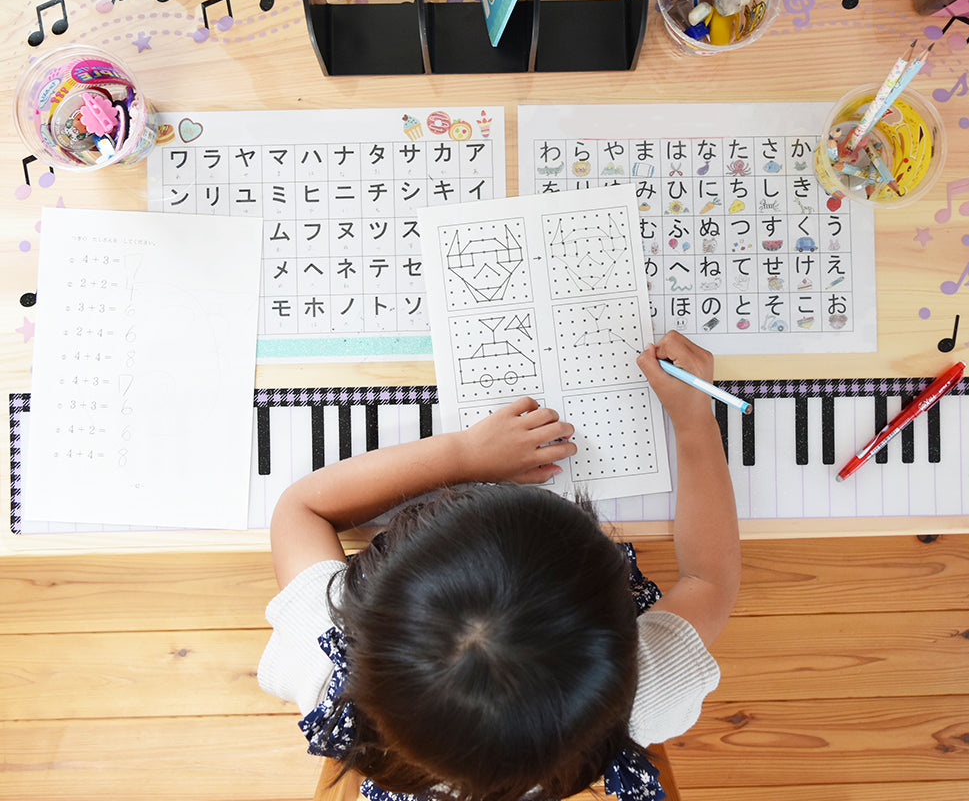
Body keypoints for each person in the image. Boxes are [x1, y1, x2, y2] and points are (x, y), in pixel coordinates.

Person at [258, 330, 740, 801]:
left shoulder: (324, 660)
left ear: (365, 605)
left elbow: (301, 508)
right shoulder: (644, 694)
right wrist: (695, 419)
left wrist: (462, 455)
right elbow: (709, 580)